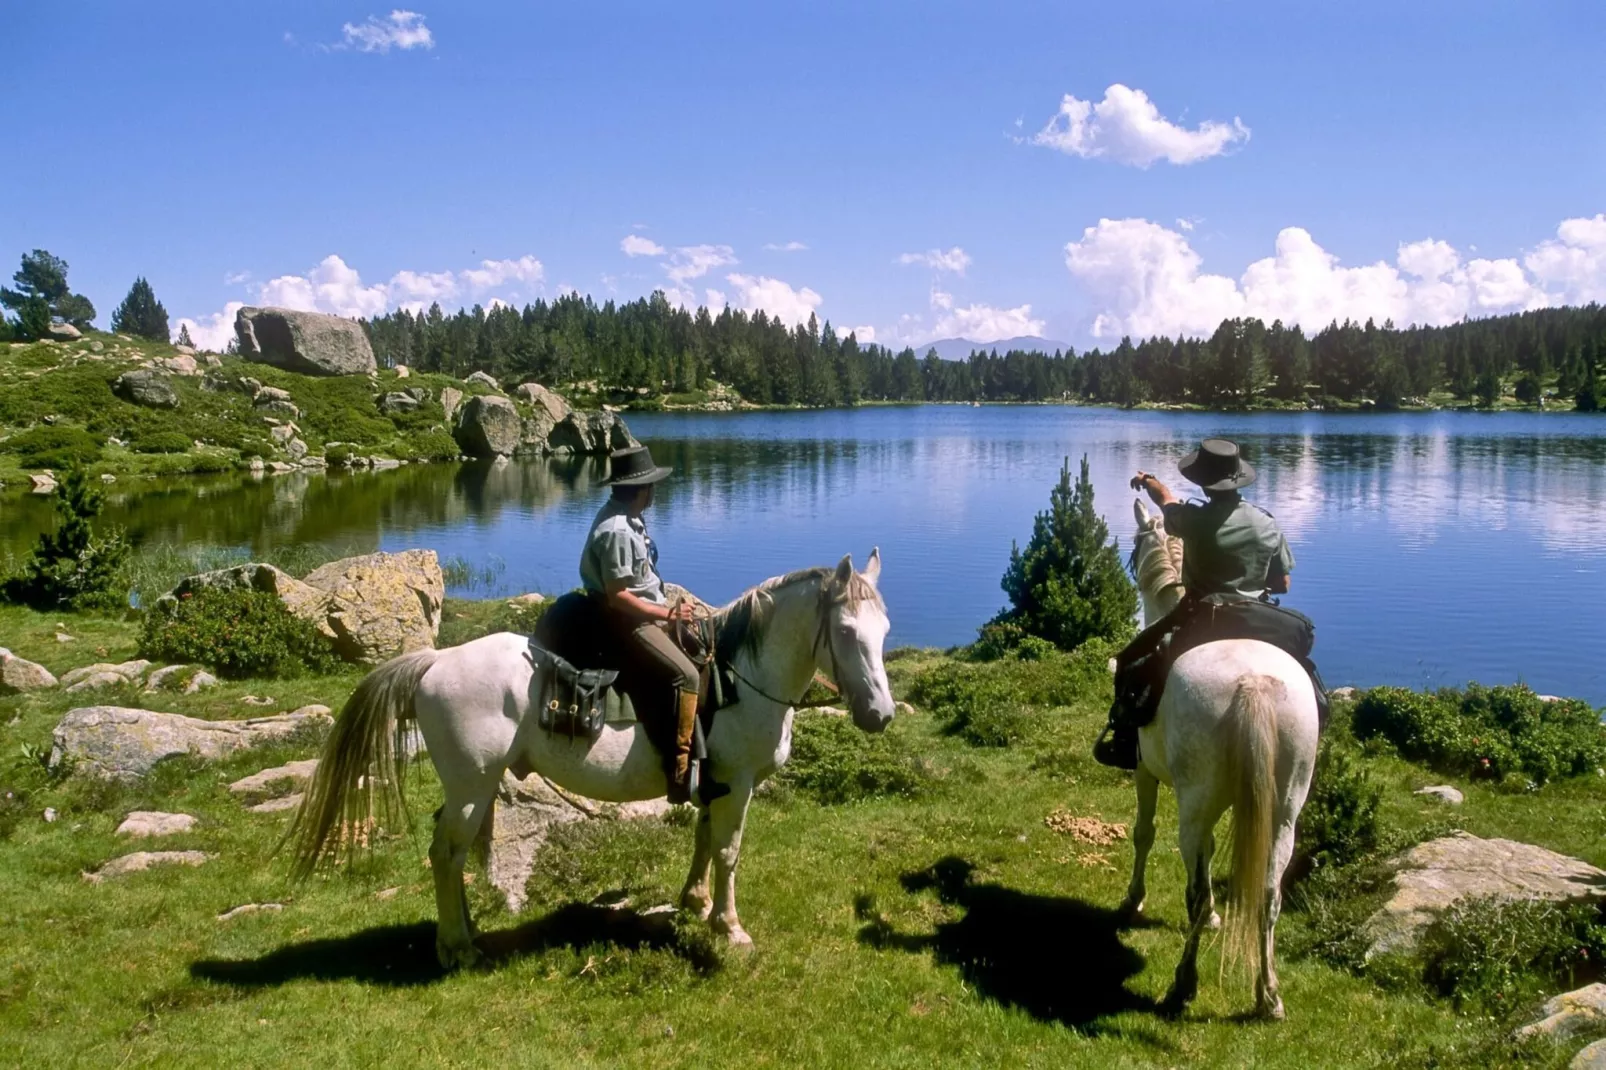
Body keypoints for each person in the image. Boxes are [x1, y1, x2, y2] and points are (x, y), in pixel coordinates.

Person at [1092, 438, 1323, 770]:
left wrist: (1148, 481)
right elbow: (1282, 584)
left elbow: (1166, 501)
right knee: (1309, 676)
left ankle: (1126, 745)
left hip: (1201, 617)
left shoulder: (1192, 520)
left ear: (1202, 482)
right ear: (1238, 478)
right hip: (1259, 617)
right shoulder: (1266, 523)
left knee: (1130, 661)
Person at [580, 444, 704, 803]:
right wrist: (667, 615)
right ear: (642, 489)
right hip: (626, 623)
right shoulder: (618, 530)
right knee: (688, 675)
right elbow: (618, 596)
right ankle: (680, 770)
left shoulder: (627, 516)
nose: (654, 491)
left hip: (641, 611)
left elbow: (640, 579)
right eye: (651, 484)